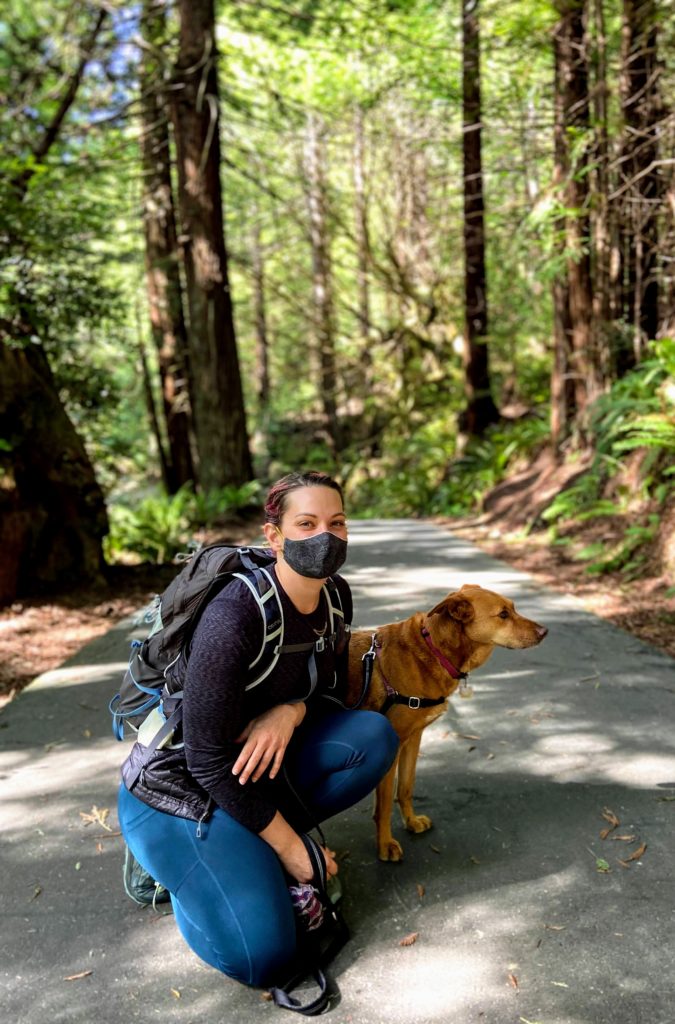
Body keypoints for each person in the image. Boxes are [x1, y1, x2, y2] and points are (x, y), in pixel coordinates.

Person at [117, 470, 399, 991]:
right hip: (179, 787)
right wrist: (293, 849)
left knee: (373, 736)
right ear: (275, 537)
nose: (325, 537)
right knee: (264, 959)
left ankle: (247, 849)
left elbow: (332, 695)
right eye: (307, 523)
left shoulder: (335, 597)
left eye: (336, 523)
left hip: (249, 773)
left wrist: (291, 710)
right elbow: (203, 759)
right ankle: (177, 868)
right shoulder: (236, 613)